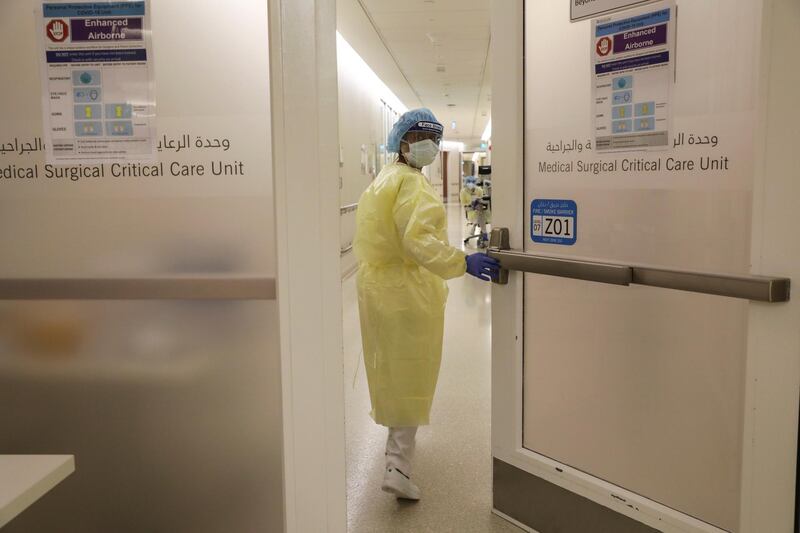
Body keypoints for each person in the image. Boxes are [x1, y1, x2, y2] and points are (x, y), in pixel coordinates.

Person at [353, 108, 501, 501]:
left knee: (390, 369)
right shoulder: (413, 184)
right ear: (403, 141)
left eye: (435, 140)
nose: (431, 147)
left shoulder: (386, 178)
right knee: (409, 372)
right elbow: (418, 241)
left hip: (377, 287)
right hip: (405, 291)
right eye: (424, 139)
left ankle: (394, 453)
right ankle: (397, 466)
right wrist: (462, 261)